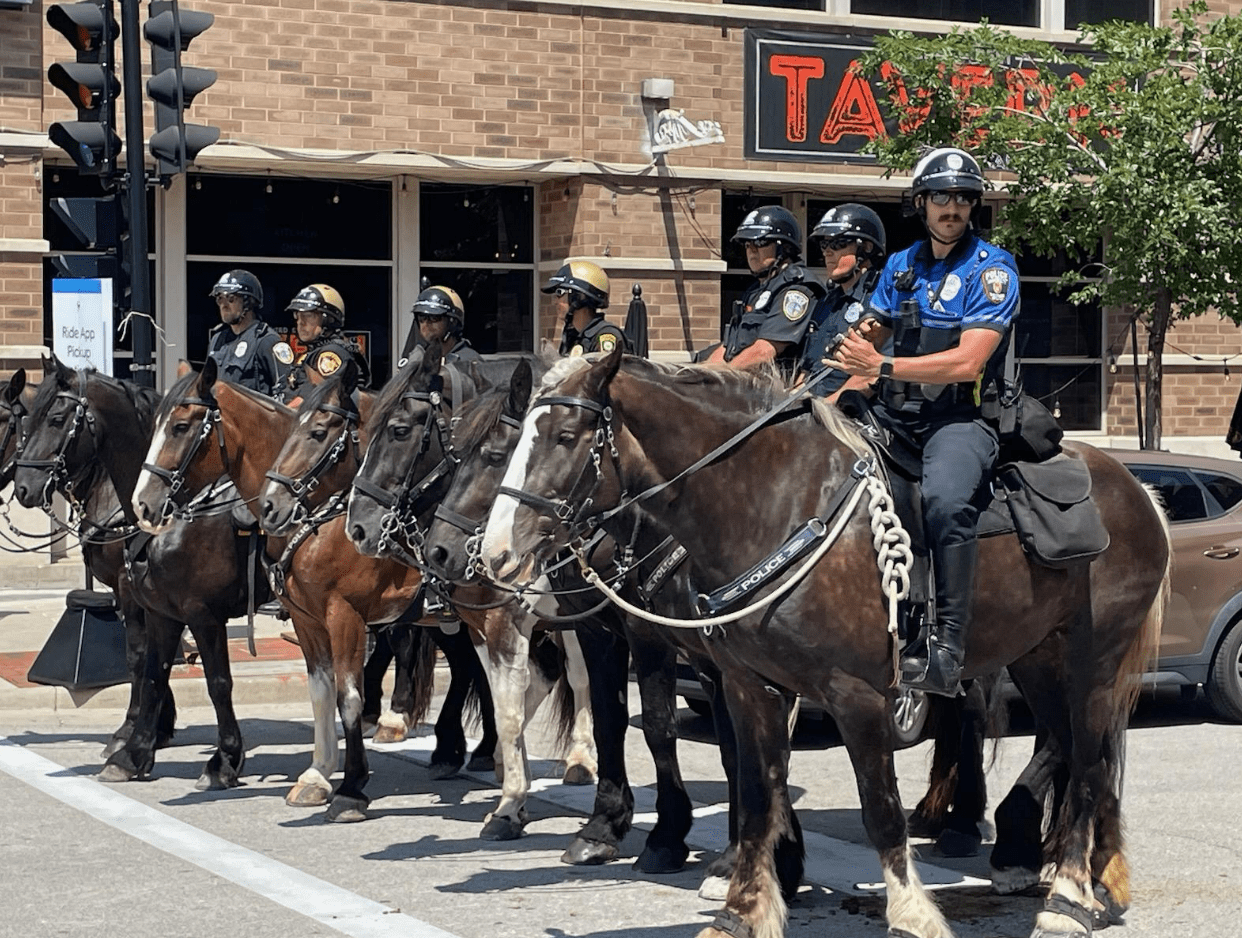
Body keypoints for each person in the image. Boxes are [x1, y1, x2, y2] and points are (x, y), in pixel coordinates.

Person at [832, 147, 1020, 698]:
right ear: (921, 203)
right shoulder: (901, 265)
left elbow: (967, 362)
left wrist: (881, 365)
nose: (952, 206)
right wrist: (834, 384)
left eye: (963, 197)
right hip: (894, 415)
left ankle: (948, 648)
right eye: (941, 195)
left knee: (944, 502)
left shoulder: (992, 269)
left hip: (958, 420)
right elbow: (870, 336)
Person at [708, 205, 825, 375]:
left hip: (776, 391)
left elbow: (765, 351)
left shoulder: (798, 289)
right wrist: (700, 374)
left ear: (784, 248)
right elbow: (727, 347)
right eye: (747, 244)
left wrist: (720, 375)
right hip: (743, 382)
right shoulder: (755, 291)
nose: (752, 251)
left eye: (760, 243)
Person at [794, 204, 887, 402]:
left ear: (866, 248)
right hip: (812, 409)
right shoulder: (826, 303)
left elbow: (872, 374)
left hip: (852, 411)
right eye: (824, 245)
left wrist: (827, 407)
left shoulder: (883, 300)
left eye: (838, 244)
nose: (828, 252)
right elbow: (808, 367)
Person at [206, 269, 292, 397]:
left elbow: (286, 392)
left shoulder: (267, 340)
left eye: (231, 299)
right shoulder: (217, 339)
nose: (223, 305)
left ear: (248, 302)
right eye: (219, 299)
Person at [281, 283, 371, 403]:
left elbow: (316, 402)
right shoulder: (313, 353)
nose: (300, 322)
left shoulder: (333, 353)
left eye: (308, 315)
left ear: (329, 319)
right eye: (297, 315)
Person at [543, 260, 628, 356]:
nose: (555, 302)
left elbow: (610, 369)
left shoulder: (606, 336)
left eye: (559, 293)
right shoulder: (572, 337)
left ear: (579, 296)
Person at [399, 284, 482, 366]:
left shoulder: (470, 363)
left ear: (453, 322)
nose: (426, 323)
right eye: (422, 317)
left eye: (434, 318)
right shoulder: (416, 359)